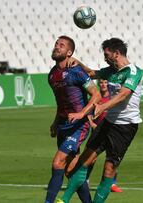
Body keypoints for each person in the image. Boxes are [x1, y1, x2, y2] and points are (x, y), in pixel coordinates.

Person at [58, 37, 143, 203]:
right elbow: (91, 73)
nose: (105, 58)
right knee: (85, 159)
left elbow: (123, 94)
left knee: (109, 169)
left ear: (117, 53)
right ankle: (63, 200)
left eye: (107, 54)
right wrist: (78, 63)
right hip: (108, 123)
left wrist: (103, 107)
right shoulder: (110, 70)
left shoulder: (134, 71)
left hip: (125, 127)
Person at [45, 35, 101, 203]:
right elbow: (61, 102)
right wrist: (56, 122)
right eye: (56, 44)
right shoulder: (52, 75)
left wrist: (82, 114)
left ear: (69, 52)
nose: (56, 47)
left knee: (57, 163)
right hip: (63, 125)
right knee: (70, 171)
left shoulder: (76, 72)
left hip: (78, 125)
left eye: (61, 45)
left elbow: (96, 94)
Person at [87, 79, 123, 193]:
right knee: (91, 159)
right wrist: (92, 124)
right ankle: (85, 180)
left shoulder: (113, 97)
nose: (103, 85)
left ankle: (112, 183)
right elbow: (88, 113)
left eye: (105, 82)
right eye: (101, 82)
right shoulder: (96, 97)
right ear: (99, 84)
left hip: (112, 131)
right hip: (97, 131)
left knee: (113, 157)